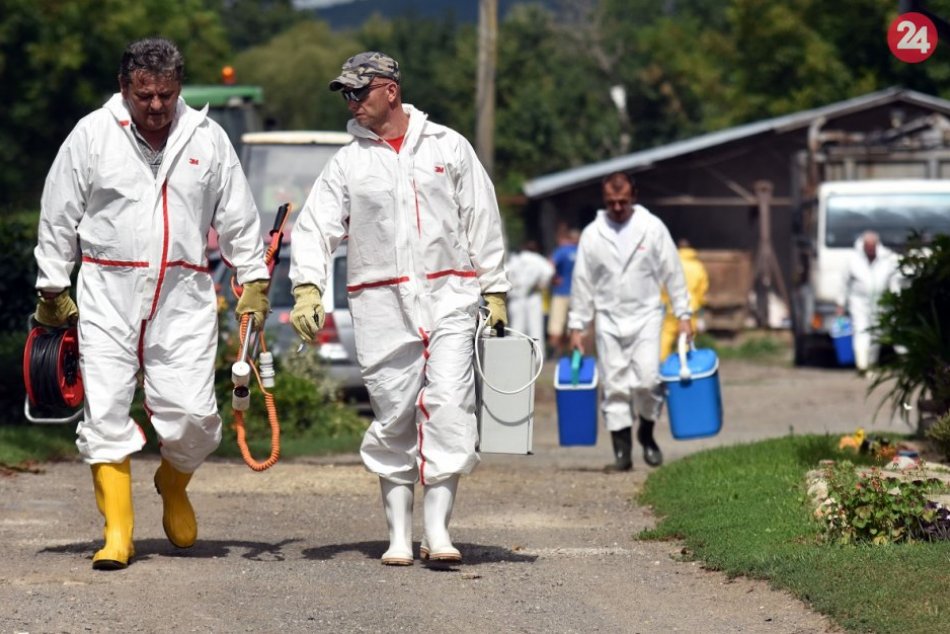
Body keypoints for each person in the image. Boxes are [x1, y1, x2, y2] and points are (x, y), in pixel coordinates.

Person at [33, 38, 270, 571]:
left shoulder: (208, 138)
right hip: (107, 290)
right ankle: (118, 533)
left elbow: (237, 215)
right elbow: (58, 213)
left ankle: (173, 482)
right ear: (124, 87)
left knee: (195, 417)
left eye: (166, 94)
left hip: (183, 294)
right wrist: (52, 286)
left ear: (178, 87)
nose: (157, 105)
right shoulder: (92, 135)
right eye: (145, 95)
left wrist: (252, 277)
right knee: (106, 410)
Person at [288, 52, 509, 566]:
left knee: (450, 403)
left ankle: (438, 530)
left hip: (450, 295)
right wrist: (308, 288)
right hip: (380, 302)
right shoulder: (348, 162)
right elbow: (315, 228)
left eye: (358, 91)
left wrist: (495, 289)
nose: (351, 102)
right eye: (345, 94)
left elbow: (481, 216)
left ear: (390, 90)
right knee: (394, 412)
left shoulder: (447, 146)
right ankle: (399, 536)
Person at [568, 172, 692, 472]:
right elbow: (582, 282)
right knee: (614, 384)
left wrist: (684, 315)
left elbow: (673, 272)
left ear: (634, 196)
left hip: (646, 315)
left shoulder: (652, 228)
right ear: (604, 199)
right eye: (611, 202)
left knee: (648, 379)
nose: (617, 207)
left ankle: (646, 433)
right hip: (608, 317)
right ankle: (622, 452)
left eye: (623, 201)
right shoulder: (593, 234)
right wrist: (577, 326)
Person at [836, 230, 900, 373]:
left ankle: (871, 365)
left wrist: (896, 300)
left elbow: (893, 281)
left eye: (872, 246)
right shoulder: (853, 259)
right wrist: (841, 303)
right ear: (863, 245)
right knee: (861, 331)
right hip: (859, 302)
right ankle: (862, 366)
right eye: (867, 246)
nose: (870, 249)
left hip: (881, 303)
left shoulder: (887, 259)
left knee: (876, 334)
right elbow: (843, 283)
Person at [659, 239, 709, 361]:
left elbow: (663, 286)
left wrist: (664, 301)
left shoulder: (670, 264)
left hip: (671, 307)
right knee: (686, 337)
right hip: (691, 307)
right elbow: (702, 288)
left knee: (666, 337)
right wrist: (700, 303)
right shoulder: (698, 266)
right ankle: (683, 363)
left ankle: (661, 363)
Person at [507, 240, 554, 341]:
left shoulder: (515, 259)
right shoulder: (538, 259)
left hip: (516, 296)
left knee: (516, 328)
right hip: (533, 295)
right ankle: (536, 350)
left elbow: (506, 274)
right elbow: (549, 271)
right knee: (535, 328)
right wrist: (541, 284)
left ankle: (515, 350)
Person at [547, 228, 580, 358]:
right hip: (577, 294)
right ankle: (572, 354)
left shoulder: (562, 251)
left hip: (561, 292)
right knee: (574, 326)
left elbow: (549, 265)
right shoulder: (581, 251)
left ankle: (553, 354)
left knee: (556, 325)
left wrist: (553, 278)